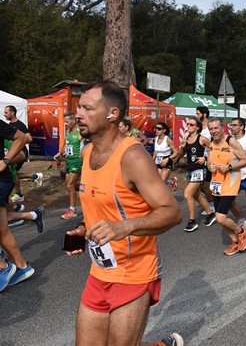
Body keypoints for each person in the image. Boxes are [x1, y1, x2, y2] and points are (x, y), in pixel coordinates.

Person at [64, 80, 183, 346]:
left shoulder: (133, 157)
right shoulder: (87, 152)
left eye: (87, 108)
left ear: (112, 114)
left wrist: (124, 227)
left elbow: (172, 212)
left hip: (134, 274)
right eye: (78, 108)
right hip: (99, 272)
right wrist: (86, 228)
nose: (78, 114)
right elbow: (102, 203)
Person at [207, 117, 246, 256]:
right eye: (211, 129)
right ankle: (235, 242)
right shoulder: (211, 144)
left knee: (220, 217)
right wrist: (210, 167)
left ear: (222, 127)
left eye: (216, 128)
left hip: (230, 183)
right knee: (220, 217)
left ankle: (241, 231)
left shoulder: (231, 141)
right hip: (216, 184)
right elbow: (208, 163)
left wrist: (230, 166)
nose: (213, 131)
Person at [0, 122, 36, 291]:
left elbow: (22, 138)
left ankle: (3, 267)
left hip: (1, 179)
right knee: (2, 229)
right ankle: (21, 267)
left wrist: (5, 161)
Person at [175, 117, 214, 232]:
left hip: (199, 170)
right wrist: (182, 146)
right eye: (188, 124)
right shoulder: (186, 138)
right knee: (197, 195)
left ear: (197, 127)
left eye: (191, 124)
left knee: (187, 194)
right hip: (190, 169)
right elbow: (181, 154)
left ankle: (192, 221)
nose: (188, 126)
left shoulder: (202, 139)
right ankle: (210, 213)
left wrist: (205, 158)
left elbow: (213, 148)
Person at [4, 105, 43, 203]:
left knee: (12, 173)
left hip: (21, 153)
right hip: (14, 152)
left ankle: (19, 195)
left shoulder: (20, 125)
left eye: (6, 112)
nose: (4, 115)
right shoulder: (9, 125)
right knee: (13, 172)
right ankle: (34, 176)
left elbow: (29, 138)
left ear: (12, 113)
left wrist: (17, 143)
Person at [54, 112, 83, 219]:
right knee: (70, 185)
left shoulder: (81, 132)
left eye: (67, 122)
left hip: (78, 161)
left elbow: (90, 143)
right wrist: (59, 153)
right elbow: (66, 144)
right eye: (64, 122)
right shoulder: (68, 132)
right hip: (69, 161)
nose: (65, 124)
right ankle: (89, 190)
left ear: (74, 120)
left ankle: (72, 210)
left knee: (70, 185)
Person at [152, 122, 178, 191]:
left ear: (164, 130)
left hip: (166, 160)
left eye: (159, 129)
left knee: (162, 183)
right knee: (158, 181)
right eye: (156, 128)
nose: (157, 130)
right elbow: (155, 151)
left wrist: (168, 159)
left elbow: (176, 152)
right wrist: (152, 161)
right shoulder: (155, 139)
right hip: (158, 160)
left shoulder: (167, 140)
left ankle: (162, 199)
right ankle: (171, 181)